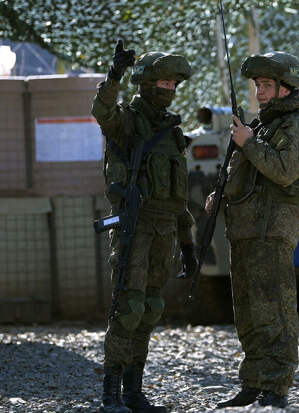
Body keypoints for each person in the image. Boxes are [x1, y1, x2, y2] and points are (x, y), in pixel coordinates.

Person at [206, 51, 299, 409]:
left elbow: (284, 171)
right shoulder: (263, 126)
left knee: (275, 310)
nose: (260, 93)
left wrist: (249, 143)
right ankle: (253, 383)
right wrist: (220, 194)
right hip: (245, 229)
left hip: (272, 229)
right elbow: (246, 174)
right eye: (257, 86)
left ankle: (276, 386)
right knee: (248, 312)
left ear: (286, 87)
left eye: (267, 85)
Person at [92, 40, 198, 413]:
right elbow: (101, 111)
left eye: (173, 84)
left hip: (165, 229)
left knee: (151, 307)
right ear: (147, 83)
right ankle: (111, 395)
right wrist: (114, 74)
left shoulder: (171, 131)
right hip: (135, 228)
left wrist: (188, 245)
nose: (169, 89)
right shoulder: (128, 121)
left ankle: (134, 391)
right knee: (129, 307)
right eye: (163, 83)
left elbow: (178, 197)